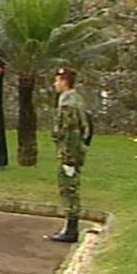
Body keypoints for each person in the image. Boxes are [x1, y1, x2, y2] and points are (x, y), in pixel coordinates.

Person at [49, 67, 90, 243]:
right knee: (69, 188)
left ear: (64, 81)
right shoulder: (73, 99)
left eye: (57, 80)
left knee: (69, 189)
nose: (55, 84)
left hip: (69, 153)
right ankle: (69, 227)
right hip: (71, 151)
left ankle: (71, 229)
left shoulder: (68, 104)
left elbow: (71, 133)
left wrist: (69, 158)